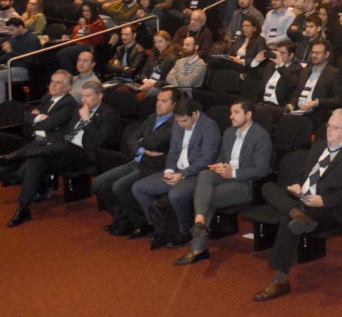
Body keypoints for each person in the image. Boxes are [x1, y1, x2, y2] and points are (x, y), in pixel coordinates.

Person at [253, 108, 342, 302]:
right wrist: (298, 187)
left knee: (286, 219)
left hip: (328, 209)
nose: (328, 130)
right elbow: (305, 176)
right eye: (328, 125)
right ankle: (297, 213)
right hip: (303, 199)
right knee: (268, 187)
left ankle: (280, 280)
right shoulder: (318, 146)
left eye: (334, 127)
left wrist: (323, 200)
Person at [0, 81, 118, 227]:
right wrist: (51, 141)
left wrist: (87, 120)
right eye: (82, 96)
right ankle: (23, 208)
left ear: (100, 96)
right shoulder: (79, 109)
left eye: (88, 96)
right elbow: (64, 132)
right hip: (63, 150)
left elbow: (100, 141)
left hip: (84, 155)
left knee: (62, 146)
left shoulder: (108, 114)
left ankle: (18, 156)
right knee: (37, 160)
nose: (84, 100)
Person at [173, 101, 273, 266]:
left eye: (236, 112)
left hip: (246, 184)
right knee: (205, 174)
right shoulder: (229, 132)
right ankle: (200, 220)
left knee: (207, 197)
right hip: (226, 176)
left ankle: (198, 247)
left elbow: (261, 170)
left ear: (248, 115)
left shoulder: (261, 136)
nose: (231, 116)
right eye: (231, 112)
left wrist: (232, 173)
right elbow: (221, 158)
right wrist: (218, 166)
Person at [131, 99, 221, 249]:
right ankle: (159, 227)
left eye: (184, 121)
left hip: (195, 174)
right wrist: (169, 170)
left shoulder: (209, 127)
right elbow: (172, 152)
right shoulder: (178, 123)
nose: (180, 125)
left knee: (176, 195)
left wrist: (183, 174)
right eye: (178, 121)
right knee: (139, 188)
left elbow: (207, 159)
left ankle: (184, 231)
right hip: (176, 171)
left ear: (194, 115)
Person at [92, 88, 177, 237]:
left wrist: (142, 142)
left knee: (120, 186)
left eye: (164, 101)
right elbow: (132, 137)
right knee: (99, 183)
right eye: (158, 99)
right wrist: (141, 149)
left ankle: (142, 222)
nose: (158, 103)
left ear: (174, 105)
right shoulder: (152, 117)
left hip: (152, 165)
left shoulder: (175, 123)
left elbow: (155, 143)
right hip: (137, 160)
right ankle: (124, 218)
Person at [0, 18, 41, 104]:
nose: (10, 32)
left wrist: (10, 51)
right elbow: (8, 55)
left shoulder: (33, 40)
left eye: (12, 30)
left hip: (24, 70)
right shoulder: (14, 38)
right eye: (9, 30)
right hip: (10, 66)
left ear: (20, 27)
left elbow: (28, 61)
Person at [284, 39, 342, 127]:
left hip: (315, 113)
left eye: (318, 53)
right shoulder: (305, 71)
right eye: (312, 52)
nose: (313, 55)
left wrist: (316, 102)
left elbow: (339, 99)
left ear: (327, 54)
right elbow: (296, 94)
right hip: (297, 111)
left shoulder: (334, 73)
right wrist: (291, 105)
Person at [56, 3, 107, 73]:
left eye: (88, 10)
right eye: (84, 10)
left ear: (93, 11)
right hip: (78, 44)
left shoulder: (99, 23)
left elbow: (92, 39)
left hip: (90, 47)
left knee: (63, 54)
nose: (86, 13)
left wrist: (83, 26)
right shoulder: (85, 22)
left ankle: (68, 76)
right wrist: (68, 37)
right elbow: (79, 35)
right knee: (54, 51)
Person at [136, 31, 177, 95]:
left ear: (168, 42)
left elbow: (169, 80)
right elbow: (143, 72)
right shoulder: (152, 55)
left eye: (160, 41)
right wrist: (146, 81)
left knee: (143, 94)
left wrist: (153, 83)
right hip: (146, 84)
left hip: (160, 87)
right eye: (155, 42)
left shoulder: (172, 58)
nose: (157, 44)